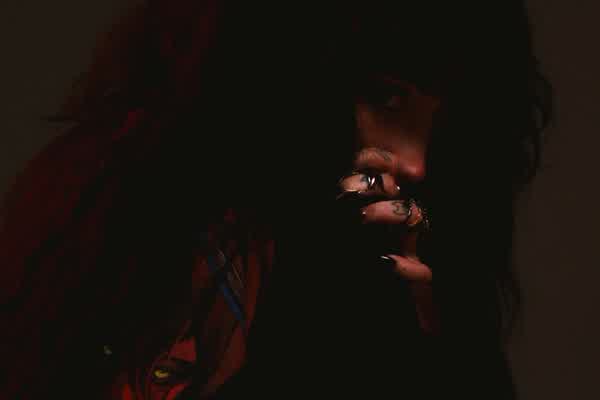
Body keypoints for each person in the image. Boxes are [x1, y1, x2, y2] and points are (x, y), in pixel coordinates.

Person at [0, 0, 553, 398]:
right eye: (386, 97)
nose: (417, 163)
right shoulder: (107, 226)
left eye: (447, 117)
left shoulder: (412, 265)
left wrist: (430, 343)